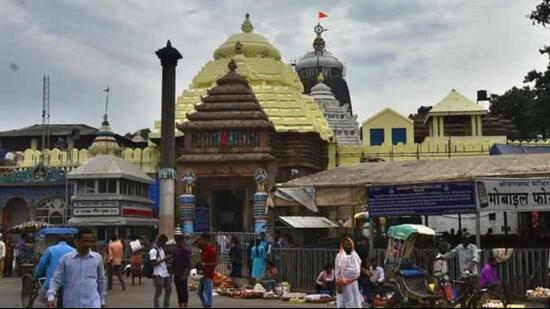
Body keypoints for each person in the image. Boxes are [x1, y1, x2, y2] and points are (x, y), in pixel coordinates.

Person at [47, 229, 106, 308]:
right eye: (84, 241)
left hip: (92, 302)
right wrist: (51, 296)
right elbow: (56, 279)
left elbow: (101, 280)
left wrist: (102, 300)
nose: (88, 244)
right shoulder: (66, 259)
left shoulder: (97, 258)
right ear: (76, 241)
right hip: (71, 302)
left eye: (90, 241)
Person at [35, 235, 75, 308]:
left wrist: (37, 275)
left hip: (51, 281)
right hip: (68, 283)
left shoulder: (50, 249)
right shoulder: (73, 250)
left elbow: (42, 265)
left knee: (41, 302)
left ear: (56, 241)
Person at [335, 237, 363, 308]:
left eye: (349, 244)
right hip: (344, 282)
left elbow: (358, 265)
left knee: (356, 298)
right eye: (346, 245)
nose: (348, 246)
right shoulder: (339, 256)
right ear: (343, 245)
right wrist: (339, 284)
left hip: (354, 282)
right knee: (349, 300)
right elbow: (337, 271)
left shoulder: (354, 255)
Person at [193, 234, 217, 309]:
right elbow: (193, 244)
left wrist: (204, 264)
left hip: (208, 273)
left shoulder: (211, 249)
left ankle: (208, 305)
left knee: (208, 292)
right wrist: (199, 237)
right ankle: (205, 305)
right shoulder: (203, 247)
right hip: (202, 273)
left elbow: (215, 263)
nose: (199, 241)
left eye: (201, 239)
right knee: (199, 292)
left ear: (205, 240)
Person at [150, 234, 172, 309]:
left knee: (169, 291)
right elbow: (153, 264)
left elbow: (161, 262)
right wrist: (165, 259)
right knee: (158, 293)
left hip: (165, 274)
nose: (165, 244)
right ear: (160, 241)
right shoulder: (153, 251)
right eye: (164, 242)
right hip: (158, 275)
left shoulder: (161, 249)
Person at [173, 235, 191, 308]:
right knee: (178, 291)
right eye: (177, 241)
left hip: (182, 274)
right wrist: (173, 272)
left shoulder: (185, 250)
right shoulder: (175, 250)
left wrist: (185, 274)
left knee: (184, 291)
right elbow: (173, 263)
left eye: (179, 241)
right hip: (176, 274)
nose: (178, 243)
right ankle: (180, 305)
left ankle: (185, 305)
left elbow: (187, 264)